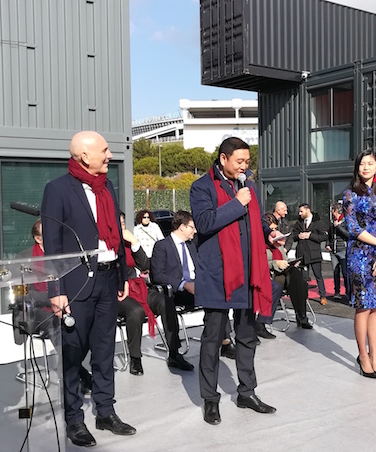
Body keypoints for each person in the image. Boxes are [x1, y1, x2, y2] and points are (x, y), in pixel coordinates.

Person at [41, 131, 136, 447]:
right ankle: (74, 420)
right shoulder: (57, 190)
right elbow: (52, 246)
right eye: (105, 150)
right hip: (76, 284)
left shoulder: (107, 186)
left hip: (108, 281)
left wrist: (122, 275)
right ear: (84, 156)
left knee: (105, 349)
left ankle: (105, 412)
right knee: (73, 354)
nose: (110, 155)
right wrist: (56, 290)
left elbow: (116, 235)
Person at [190, 137, 279, 425]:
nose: (244, 166)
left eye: (247, 162)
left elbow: (257, 220)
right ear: (223, 158)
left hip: (249, 272)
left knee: (247, 336)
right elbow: (204, 223)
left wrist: (269, 233)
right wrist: (237, 203)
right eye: (239, 161)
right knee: (213, 338)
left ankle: (247, 392)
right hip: (219, 274)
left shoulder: (248, 185)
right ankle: (210, 399)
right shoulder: (202, 187)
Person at [150, 211, 238, 358]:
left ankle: (224, 341)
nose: (195, 231)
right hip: (177, 291)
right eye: (192, 227)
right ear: (182, 227)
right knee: (169, 304)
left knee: (219, 295)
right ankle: (174, 353)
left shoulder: (192, 245)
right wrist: (184, 284)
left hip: (198, 286)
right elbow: (157, 275)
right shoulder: (162, 246)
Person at [117, 212, 194, 376]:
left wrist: (135, 243)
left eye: (123, 224)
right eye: (118, 224)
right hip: (117, 291)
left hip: (137, 286)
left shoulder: (128, 243)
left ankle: (174, 353)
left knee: (165, 302)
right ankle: (135, 357)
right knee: (136, 311)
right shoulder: (105, 245)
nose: (121, 228)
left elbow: (145, 266)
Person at [343, 149, 376, 378]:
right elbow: (353, 227)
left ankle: (374, 356)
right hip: (359, 255)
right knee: (363, 306)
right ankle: (363, 356)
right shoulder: (350, 194)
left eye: (370, 163)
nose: (366, 167)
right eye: (362, 163)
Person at [264, 214, 313, 329]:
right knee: (295, 281)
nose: (274, 232)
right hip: (272, 275)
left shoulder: (278, 243)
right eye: (271, 229)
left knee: (297, 278)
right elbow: (259, 263)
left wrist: (290, 262)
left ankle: (301, 316)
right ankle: (301, 317)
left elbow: (284, 258)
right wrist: (275, 263)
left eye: (275, 228)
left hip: (285, 271)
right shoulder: (260, 245)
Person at [292, 203, 329, 305]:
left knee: (318, 276)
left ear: (307, 210)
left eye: (301, 211)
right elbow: (293, 235)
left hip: (314, 254)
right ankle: (304, 296)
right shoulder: (299, 222)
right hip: (302, 254)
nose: (300, 213)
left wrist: (310, 236)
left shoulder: (318, 222)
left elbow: (323, 237)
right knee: (303, 277)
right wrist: (298, 236)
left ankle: (323, 296)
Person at [328, 202, 350, 300]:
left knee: (345, 273)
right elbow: (329, 235)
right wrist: (328, 244)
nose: (331, 212)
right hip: (334, 250)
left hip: (343, 250)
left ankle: (348, 292)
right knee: (335, 271)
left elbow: (348, 235)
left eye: (332, 210)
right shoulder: (332, 222)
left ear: (336, 211)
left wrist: (338, 227)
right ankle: (337, 292)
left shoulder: (346, 222)